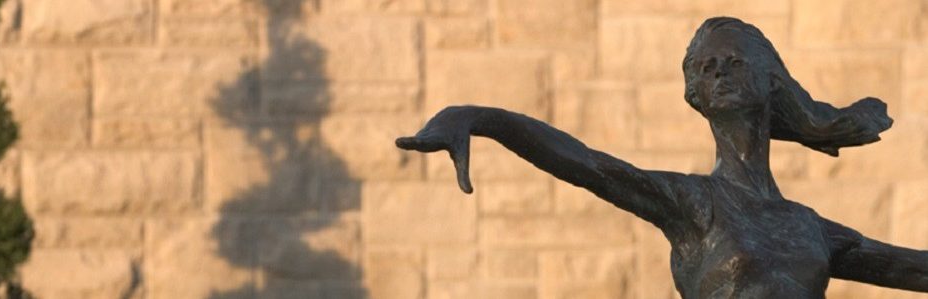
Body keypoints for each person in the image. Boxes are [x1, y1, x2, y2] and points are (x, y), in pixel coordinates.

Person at [395, 17, 928, 298]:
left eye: (733, 61)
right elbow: (587, 163)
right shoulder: (693, 204)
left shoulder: (808, 227)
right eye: (706, 66)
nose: (717, 70)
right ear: (694, 92)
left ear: (771, 81)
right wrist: (475, 118)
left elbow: (912, 269)